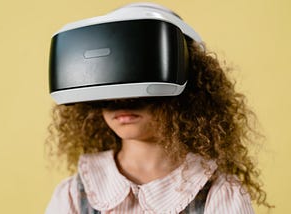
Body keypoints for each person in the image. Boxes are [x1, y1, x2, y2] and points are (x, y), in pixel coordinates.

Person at [45, 3, 271, 214]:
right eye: (108, 94)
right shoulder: (74, 193)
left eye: (137, 92)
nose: (121, 102)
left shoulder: (219, 192)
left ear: (189, 89)